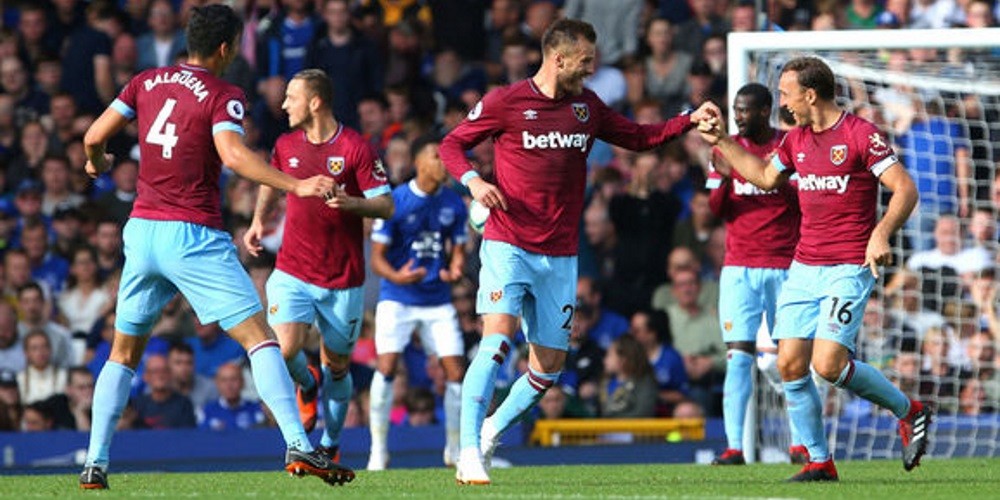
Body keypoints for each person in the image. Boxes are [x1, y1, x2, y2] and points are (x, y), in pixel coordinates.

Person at [77, 5, 350, 490]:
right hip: (192, 234)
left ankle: (95, 463)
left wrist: (97, 162)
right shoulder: (224, 93)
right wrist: (296, 185)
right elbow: (232, 155)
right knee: (260, 338)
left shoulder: (145, 80)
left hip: (142, 232)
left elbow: (94, 136)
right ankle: (299, 445)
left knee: (123, 352)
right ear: (226, 48)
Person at [438, 18, 719, 485]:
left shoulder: (587, 108)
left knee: (548, 368)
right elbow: (452, 144)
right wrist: (474, 181)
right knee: (497, 339)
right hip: (508, 242)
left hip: (561, 254)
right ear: (559, 57)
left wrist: (688, 119)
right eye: (586, 61)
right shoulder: (507, 101)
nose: (592, 69)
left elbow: (638, 137)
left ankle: (491, 429)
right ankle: (468, 451)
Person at [698, 56, 930, 482]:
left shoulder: (860, 134)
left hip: (847, 265)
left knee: (827, 365)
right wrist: (724, 142)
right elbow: (768, 178)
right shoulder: (794, 140)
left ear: (810, 94)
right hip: (803, 265)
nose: (781, 103)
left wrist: (881, 233)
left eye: (786, 94)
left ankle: (909, 410)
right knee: (789, 364)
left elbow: (905, 189)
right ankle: (819, 462)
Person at [244, 68, 393, 465]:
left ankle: (330, 441)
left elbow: (385, 204)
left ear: (315, 102)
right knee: (285, 349)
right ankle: (306, 386)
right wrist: (260, 219)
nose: (283, 104)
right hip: (293, 271)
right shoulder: (286, 143)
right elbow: (271, 181)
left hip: (343, 280)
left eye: (291, 97)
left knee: (338, 368)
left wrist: (353, 203)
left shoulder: (356, 148)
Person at [704, 83, 803, 465]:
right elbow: (715, 210)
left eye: (745, 110)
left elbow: (799, 199)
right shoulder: (724, 149)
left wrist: (761, 177)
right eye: (736, 110)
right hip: (739, 266)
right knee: (739, 356)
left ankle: (800, 443)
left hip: (784, 265)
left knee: (792, 357)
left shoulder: (788, 147)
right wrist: (727, 176)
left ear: (764, 111)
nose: (739, 117)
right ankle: (733, 447)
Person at [366, 135, 467, 471]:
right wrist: (396, 277)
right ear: (419, 163)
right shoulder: (395, 201)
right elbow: (377, 259)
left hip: (438, 299)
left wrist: (455, 266)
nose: (445, 164)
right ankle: (378, 449)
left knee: (455, 372)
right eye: (438, 158)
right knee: (387, 366)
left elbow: (457, 246)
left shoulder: (454, 203)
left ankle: (454, 448)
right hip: (398, 297)